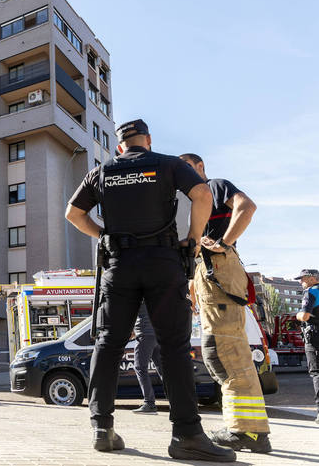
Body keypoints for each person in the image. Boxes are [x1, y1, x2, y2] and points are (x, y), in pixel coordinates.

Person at [65, 119, 234, 462]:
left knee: (109, 343)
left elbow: (73, 213)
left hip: (119, 266)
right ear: (148, 140)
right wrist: (193, 240)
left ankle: (102, 428)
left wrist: (105, 236)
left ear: (119, 147)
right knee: (173, 346)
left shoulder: (102, 171)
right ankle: (186, 435)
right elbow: (202, 194)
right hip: (163, 261)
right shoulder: (168, 163)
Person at [181, 153, 271, 453]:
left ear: (201, 167)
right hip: (211, 275)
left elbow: (247, 207)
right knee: (220, 354)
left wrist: (225, 242)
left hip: (220, 269)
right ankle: (248, 429)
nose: (184, 176)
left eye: (188, 169)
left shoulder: (215, 186)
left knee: (226, 354)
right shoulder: (198, 201)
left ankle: (250, 432)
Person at [294, 269, 319, 425]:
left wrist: (297, 315)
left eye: (302, 279)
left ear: (312, 279)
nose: (300, 282)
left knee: (317, 373)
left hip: (315, 338)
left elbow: (304, 316)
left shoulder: (311, 292)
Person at [132, 302, 163, 414]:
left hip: (145, 333)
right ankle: (176, 401)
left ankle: (149, 403)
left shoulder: (138, 293)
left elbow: (131, 313)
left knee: (140, 367)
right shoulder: (153, 291)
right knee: (162, 368)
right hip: (157, 333)